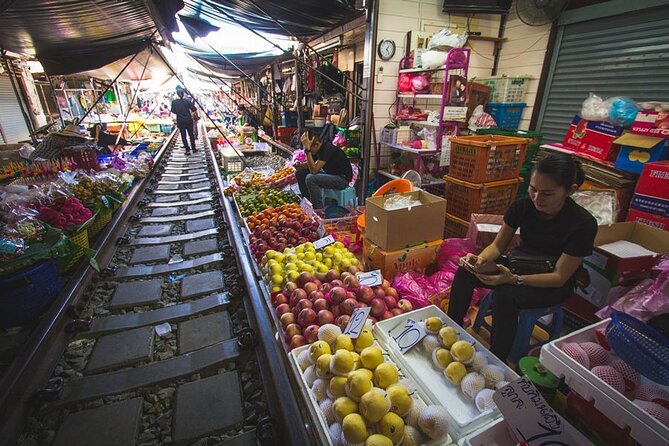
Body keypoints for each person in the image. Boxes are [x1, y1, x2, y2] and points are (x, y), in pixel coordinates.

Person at [447, 153, 597, 363]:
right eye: (533, 190)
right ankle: (451, 330)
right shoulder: (523, 207)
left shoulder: (583, 224)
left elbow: (559, 277)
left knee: (506, 294)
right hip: (521, 264)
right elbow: (498, 245)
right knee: (466, 272)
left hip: (551, 283)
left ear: (569, 190)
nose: (537, 199)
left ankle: (496, 361)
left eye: (547, 193)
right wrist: (480, 260)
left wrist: (513, 279)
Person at [296, 130, 352, 209]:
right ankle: (308, 203)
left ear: (317, 144)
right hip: (330, 175)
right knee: (300, 173)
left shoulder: (327, 149)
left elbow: (314, 170)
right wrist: (300, 165)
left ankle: (318, 209)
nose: (309, 151)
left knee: (311, 178)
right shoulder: (317, 149)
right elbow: (311, 165)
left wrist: (307, 151)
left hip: (342, 179)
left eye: (310, 148)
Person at [171, 86, 197, 154]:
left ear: (177, 94)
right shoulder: (187, 101)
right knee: (191, 135)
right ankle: (194, 148)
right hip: (188, 120)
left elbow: (173, 112)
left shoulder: (174, 102)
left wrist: (177, 115)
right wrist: (191, 115)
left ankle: (187, 150)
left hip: (180, 121)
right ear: (183, 93)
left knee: (183, 136)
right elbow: (194, 109)